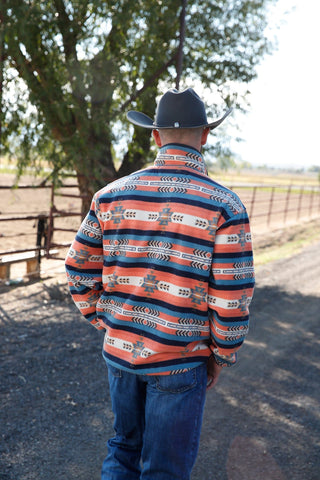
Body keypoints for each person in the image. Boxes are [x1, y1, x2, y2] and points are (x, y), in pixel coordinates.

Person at [65, 87, 255, 480]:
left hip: (120, 354)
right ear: (205, 135)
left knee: (122, 450)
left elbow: (78, 268)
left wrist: (109, 322)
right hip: (182, 359)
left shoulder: (109, 197)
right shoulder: (225, 206)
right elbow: (231, 299)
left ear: (155, 136)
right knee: (165, 470)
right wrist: (221, 354)